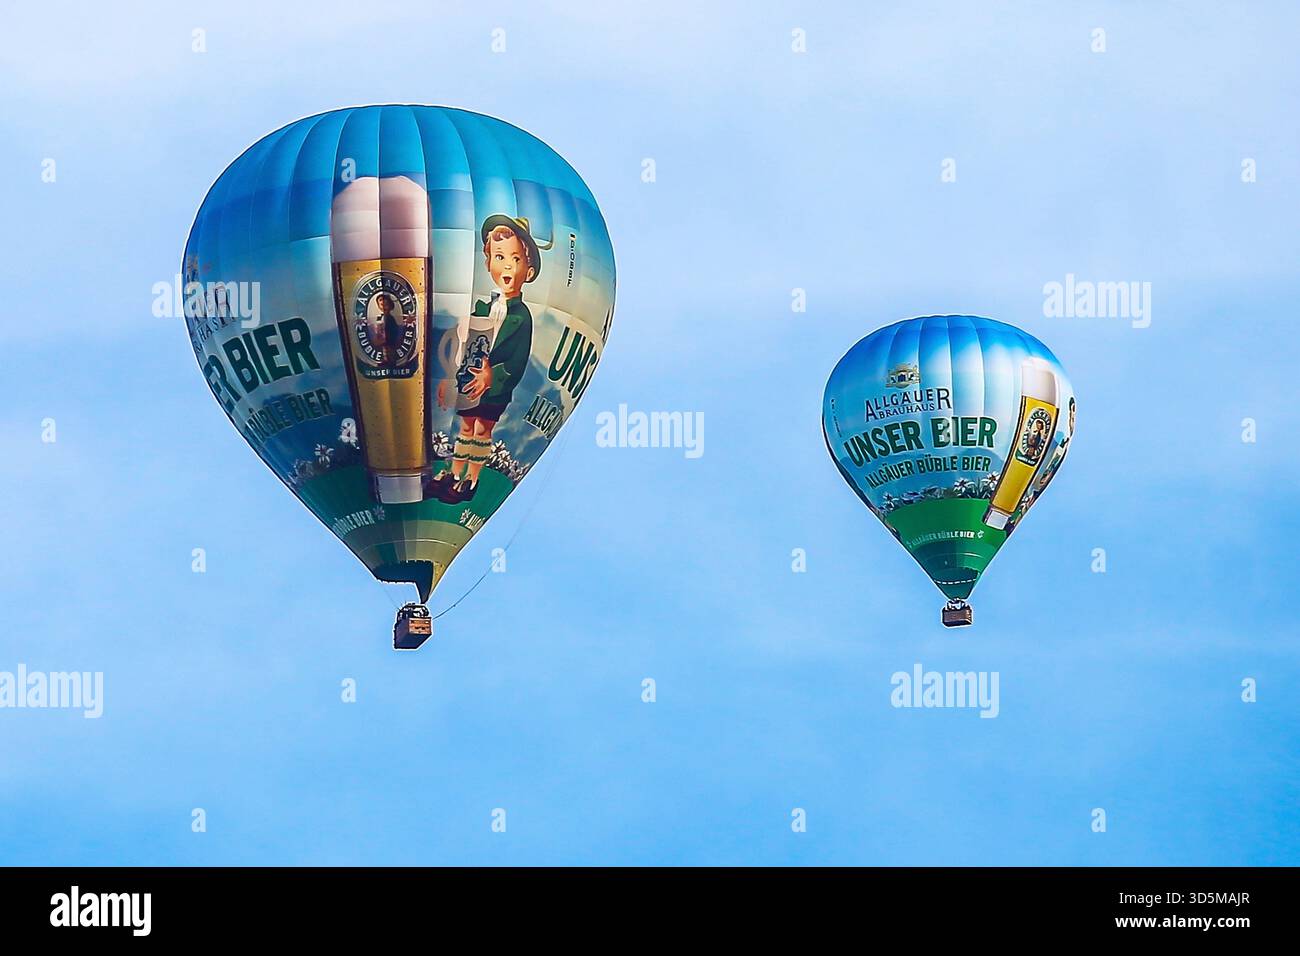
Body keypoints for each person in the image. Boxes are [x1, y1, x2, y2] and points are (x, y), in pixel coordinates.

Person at [432, 216, 538, 503]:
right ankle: (454, 475)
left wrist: (494, 376)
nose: (507, 266)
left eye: (515, 259)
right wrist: (448, 375)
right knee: (466, 427)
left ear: (528, 271)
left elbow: (518, 360)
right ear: (487, 262)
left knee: (482, 429)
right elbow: (459, 345)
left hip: (495, 388)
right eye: (499, 257)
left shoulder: (521, 317)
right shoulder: (480, 308)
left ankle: (472, 479)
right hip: (468, 380)